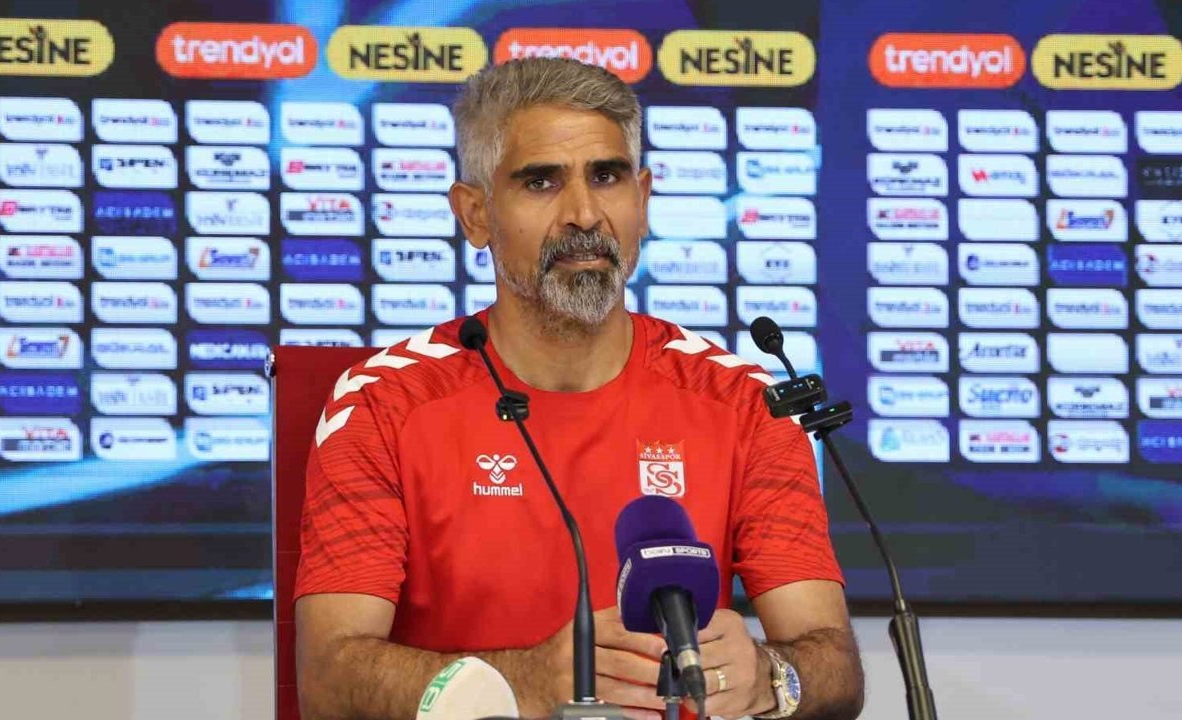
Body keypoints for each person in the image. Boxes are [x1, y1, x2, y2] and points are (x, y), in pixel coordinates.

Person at [294, 57, 864, 720]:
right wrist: (525, 682)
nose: (584, 214)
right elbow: (328, 679)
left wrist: (771, 676)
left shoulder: (744, 402)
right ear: (475, 215)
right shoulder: (380, 405)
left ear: (642, 200)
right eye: (540, 181)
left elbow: (835, 668)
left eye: (607, 177)